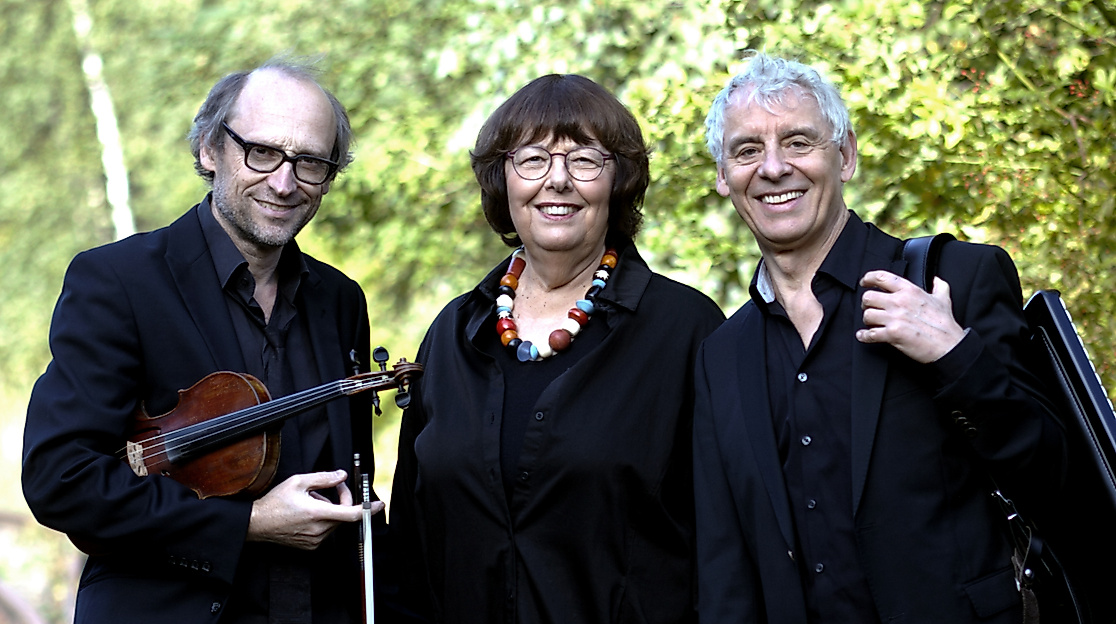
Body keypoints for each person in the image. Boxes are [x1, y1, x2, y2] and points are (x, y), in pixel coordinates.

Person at [693, 52, 1065, 623]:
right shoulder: (722, 354)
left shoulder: (955, 280)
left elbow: (1058, 479)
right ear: (723, 176)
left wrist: (956, 357)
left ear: (844, 156)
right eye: (747, 151)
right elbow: (727, 567)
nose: (772, 168)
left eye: (797, 142)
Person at [22, 58, 386, 623]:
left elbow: (352, 480)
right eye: (261, 152)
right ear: (210, 150)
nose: (285, 182)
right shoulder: (119, 281)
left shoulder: (341, 301)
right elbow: (61, 479)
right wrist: (248, 524)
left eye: (310, 162)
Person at [386, 74, 725, 623]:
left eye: (585, 159)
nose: (558, 181)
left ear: (617, 180)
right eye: (533, 159)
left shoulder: (686, 330)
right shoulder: (453, 333)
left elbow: (729, 542)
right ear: (504, 179)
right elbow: (410, 541)